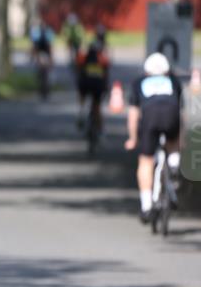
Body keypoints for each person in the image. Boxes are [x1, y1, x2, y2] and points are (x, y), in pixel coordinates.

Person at [124, 52, 182, 224]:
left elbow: (133, 114)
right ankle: (173, 163)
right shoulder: (173, 82)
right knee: (172, 143)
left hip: (150, 118)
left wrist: (133, 138)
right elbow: (182, 114)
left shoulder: (139, 82)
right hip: (171, 115)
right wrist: (181, 141)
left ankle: (147, 206)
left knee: (146, 162)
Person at [74, 35, 110, 132]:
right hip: (98, 86)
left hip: (85, 84)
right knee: (97, 107)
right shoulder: (102, 59)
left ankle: (81, 113)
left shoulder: (83, 57)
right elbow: (106, 73)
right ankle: (101, 130)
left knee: (82, 97)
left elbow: (77, 67)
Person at [30, 22, 55, 100]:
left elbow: (34, 46)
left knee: (41, 71)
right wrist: (51, 58)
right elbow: (50, 46)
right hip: (44, 54)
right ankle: (45, 87)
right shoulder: (48, 33)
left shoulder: (36, 34)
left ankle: (42, 86)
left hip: (41, 54)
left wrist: (32, 56)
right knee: (46, 71)